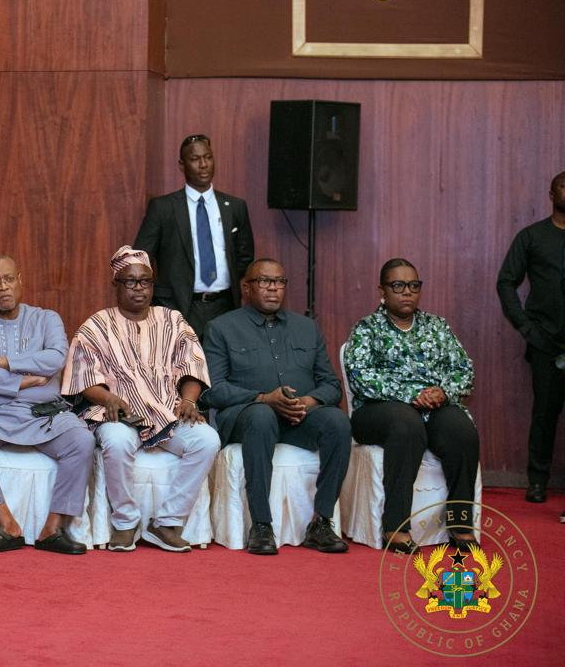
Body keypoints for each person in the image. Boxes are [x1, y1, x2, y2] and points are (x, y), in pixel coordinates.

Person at [62, 246, 220, 552]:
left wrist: (188, 400)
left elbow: (192, 365)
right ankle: (125, 522)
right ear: (116, 285)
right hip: (118, 413)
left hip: (168, 410)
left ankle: (166, 523)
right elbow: (84, 380)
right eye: (130, 282)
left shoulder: (172, 320)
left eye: (145, 282)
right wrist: (107, 398)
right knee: (118, 441)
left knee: (207, 440)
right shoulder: (96, 325)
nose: (139, 288)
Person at [205, 258, 350, 555]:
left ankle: (321, 522)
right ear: (246, 287)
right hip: (248, 417)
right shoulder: (222, 328)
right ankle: (261, 525)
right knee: (261, 416)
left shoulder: (307, 328)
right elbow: (213, 390)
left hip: (300, 417)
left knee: (337, 422)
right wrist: (263, 398)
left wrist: (308, 402)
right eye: (264, 281)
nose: (273, 288)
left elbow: (331, 385)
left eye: (280, 282)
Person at [0, 256, 94, 555]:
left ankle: (53, 529)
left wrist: (3, 362)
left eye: (8, 279)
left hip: (43, 414)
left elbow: (56, 357)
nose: (3, 287)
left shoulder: (46, 319)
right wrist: (22, 381)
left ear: (20, 280)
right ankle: (7, 526)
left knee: (82, 440)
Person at [345, 259, 480, 551]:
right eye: (398, 285)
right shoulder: (367, 329)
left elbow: (463, 369)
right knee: (406, 426)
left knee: (462, 432)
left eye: (413, 286)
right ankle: (396, 527)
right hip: (377, 411)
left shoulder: (437, 326)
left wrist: (442, 392)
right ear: (382, 290)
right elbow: (361, 377)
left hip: (434, 406)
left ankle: (460, 524)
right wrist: (413, 395)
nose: (407, 292)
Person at [133, 134, 254, 344]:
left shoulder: (235, 206)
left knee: (218, 372)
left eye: (208, 157)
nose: (203, 164)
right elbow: (141, 258)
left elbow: (245, 256)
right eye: (195, 159)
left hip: (224, 305)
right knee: (181, 372)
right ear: (182, 164)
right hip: (177, 307)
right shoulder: (163, 207)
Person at [496, 170, 565, 508]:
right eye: (564, 185)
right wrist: (526, 327)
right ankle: (537, 481)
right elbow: (506, 281)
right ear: (551, 193)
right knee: (544, 414)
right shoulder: (532, 236)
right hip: (546, 343)